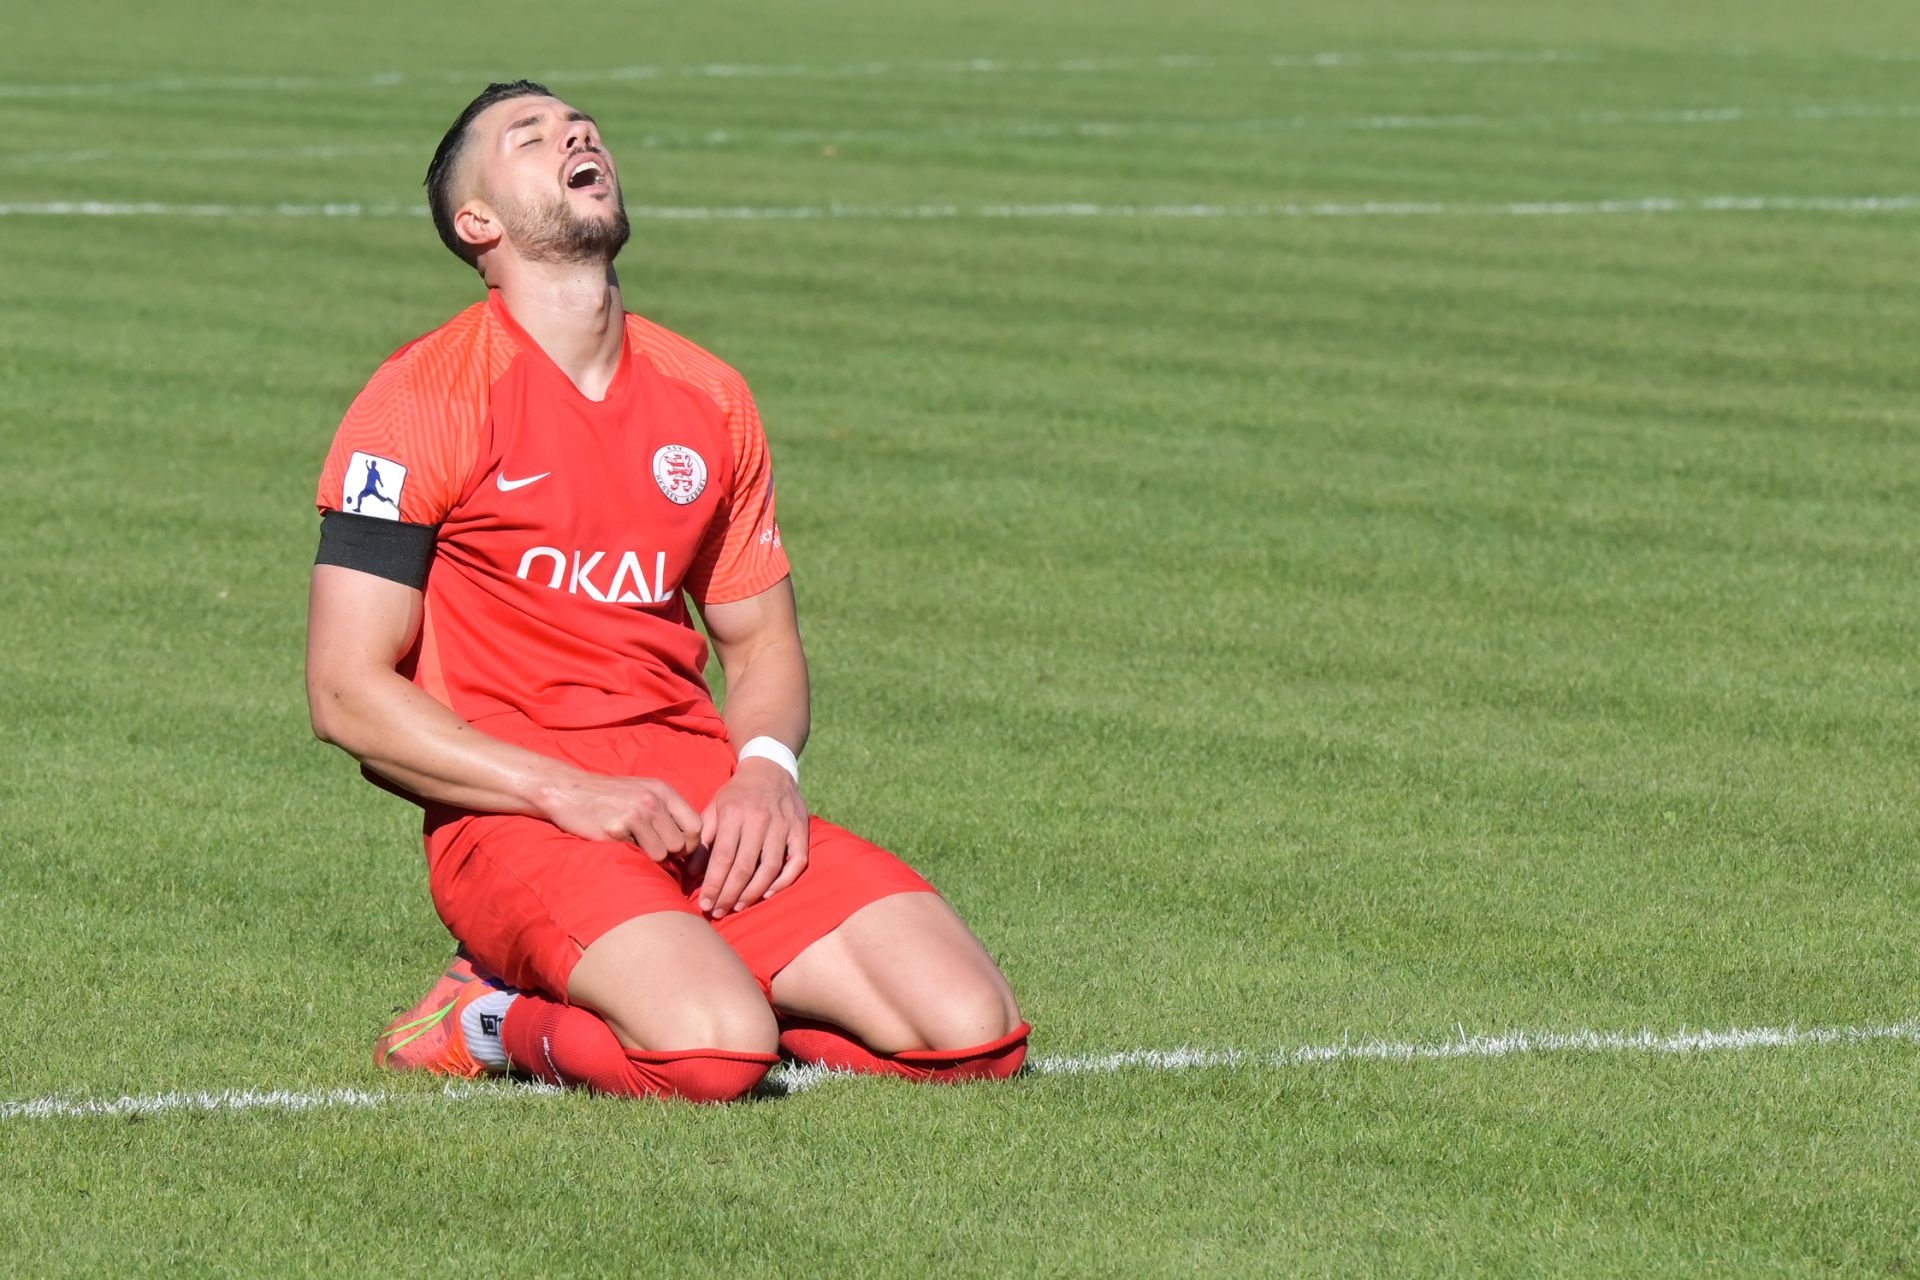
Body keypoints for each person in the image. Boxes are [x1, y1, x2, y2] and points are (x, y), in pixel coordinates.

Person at [306, 80, 1027, 1102]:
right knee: (712, 1053)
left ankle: (703, 968)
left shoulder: (708, 394)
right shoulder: (420, 399)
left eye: (579, 125)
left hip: (701, 805)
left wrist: (766, 769)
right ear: (479, 222)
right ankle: (483, 1015)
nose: (577, 135)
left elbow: (763, 644)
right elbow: (343, 691)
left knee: (975, 1036)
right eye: (532, 136)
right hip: (520, 818)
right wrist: (566, 789)